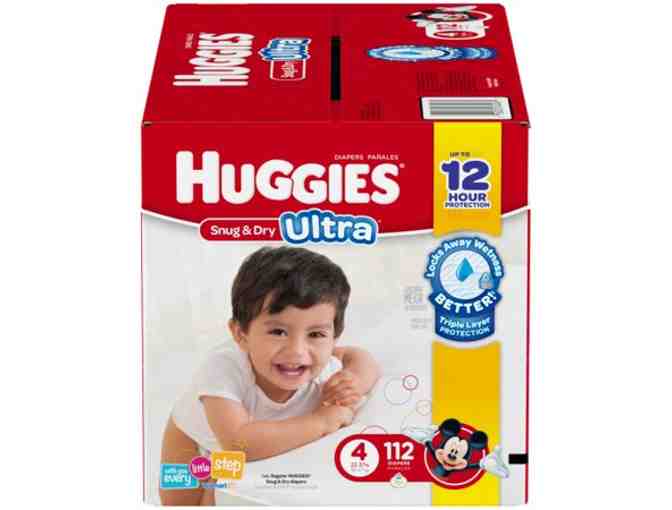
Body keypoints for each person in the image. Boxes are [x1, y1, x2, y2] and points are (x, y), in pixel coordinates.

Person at [160, 246, 381, 506]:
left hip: (251, 448)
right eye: (278, 332)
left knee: (222, 497)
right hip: (196, 438)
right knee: (179, 502)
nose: (297, 351)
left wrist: (353, 379)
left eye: (316, 334)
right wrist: (321, 421)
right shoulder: (222, 367)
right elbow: (239, 443)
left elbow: (360, 357)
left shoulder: (325, 364)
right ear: (241, 334)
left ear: (333, 337)